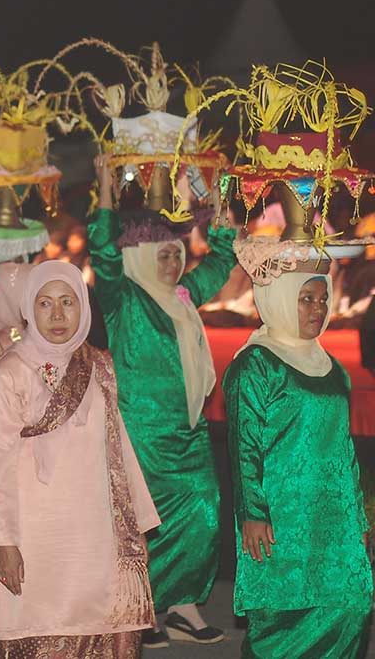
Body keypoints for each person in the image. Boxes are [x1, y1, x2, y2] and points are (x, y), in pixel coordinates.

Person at [0, 261, 159, 658]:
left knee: (103, 621)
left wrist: (136, 524)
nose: (57, 315)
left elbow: (118, 449)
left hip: (97, 539)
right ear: (28, 309)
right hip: (35, 539)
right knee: (40, 623)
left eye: (68, 302)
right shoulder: (10, 372)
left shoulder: (99, 365)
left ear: (83, 307)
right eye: (44, 303)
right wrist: (2, 542)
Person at [88, 157, 235, 646]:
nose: (172, 263)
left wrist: (216, 211)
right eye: (162, 255)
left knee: (206, 512)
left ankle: (183, 604)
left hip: (187, 431)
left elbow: (220, 260)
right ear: (139, 259)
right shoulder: (123, 295)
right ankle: (145, 606)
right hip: (140, 432)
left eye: (176, 254)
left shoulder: (186, 295)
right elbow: (103, 252)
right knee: (146, 524)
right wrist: (106, 187)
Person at [224, 271, 372, 657]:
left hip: (334, 518)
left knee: (349, 609)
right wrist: (252, 512)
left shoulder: (333, 368)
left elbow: (345, 449)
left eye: (323, 299)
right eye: (306, 298)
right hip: (281, 518)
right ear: (280, 301)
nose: (318, 309)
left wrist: (358, 518)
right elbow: (244, 446)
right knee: (281, 619)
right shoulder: (256, 365)